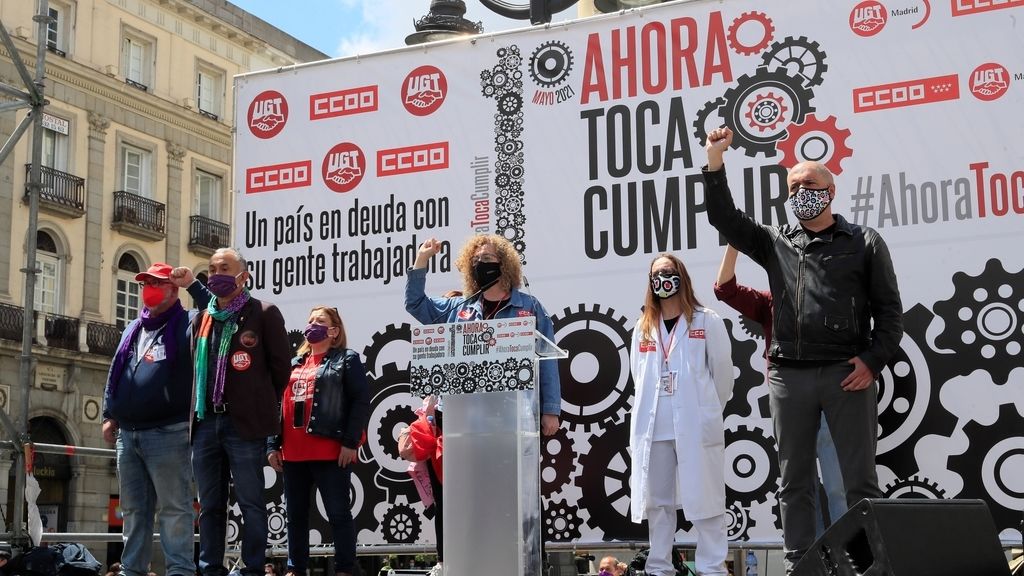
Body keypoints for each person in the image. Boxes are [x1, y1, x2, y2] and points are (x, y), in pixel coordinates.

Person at [703, 127, 903, 572]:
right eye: (792, 187)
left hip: (846, 375)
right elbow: (725, 218)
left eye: (808, 184)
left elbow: (890, 313)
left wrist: (873, 361)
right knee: (794, 481)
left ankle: (865, 565)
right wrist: (715, 161)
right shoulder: (775, 241)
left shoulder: (865, 242)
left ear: (830, 191)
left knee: (858, 482)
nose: (799, 193)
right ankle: (800, 564)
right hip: (788, 377)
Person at [405, 235, 562, 576]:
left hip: (512, 421)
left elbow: (548, 360)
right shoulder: (458, 309)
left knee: (519, 498)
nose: (481, 265)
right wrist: (421, 261)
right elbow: (415, 304)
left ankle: (530, 565)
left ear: (504, 264)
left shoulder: (529, 306)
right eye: (475, 260)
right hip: (467, 424)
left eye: (488, 259)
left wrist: (550, 409)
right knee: (472, 500)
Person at [713, 246, 848, 532]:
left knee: (839, 489)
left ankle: (847, 552)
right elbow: (725, 289)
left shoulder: (832, 298)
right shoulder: (769, 303)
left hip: (831, 408)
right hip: (791, 410)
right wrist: (735, 244)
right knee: (803, 489)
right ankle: (813, 554)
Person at [186, 248, 292, 576]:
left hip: (243, 425)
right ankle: (211, 568)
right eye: (212, 269)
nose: (216, 274)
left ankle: (253, 569)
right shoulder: (201, 319)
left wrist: (256, 402)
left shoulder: (264, 313)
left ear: (243, 277)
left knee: (251, 503)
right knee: (210, 506)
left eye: (224, 268)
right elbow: (192, 370)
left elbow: (281, 371)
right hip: (206, 422)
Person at [628, 253, 734, 576]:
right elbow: (638, 377)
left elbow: (723, 377)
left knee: (706, 499)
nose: (663, 278)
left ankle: (712, 567)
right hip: (655, 427)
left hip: (695, 424)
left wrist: (705, 410)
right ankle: (659, 566)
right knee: (658, 503)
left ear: (681, 276)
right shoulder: (643, 327)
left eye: (669, 271)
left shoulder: (706, 321)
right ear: (650, 282)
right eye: (657, 274)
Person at [101, 262, 208, 576]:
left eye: (156, 283)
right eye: (145, 283)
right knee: (133, 509)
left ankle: (179, 571)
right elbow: (116, 372)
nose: (148, 289)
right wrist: (110, 414)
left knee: (175, 509)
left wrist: (192, 284)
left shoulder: (188, 321)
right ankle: (132, 570)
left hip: (169, 432)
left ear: (173, 290)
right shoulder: (134, 328)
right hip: (128, 434)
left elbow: (217, 312)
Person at [267, 306, 370, 576]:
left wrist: (350, 442)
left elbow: (360, 401)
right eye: (311, 320)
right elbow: (279, 404)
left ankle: (345, 569)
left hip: (330, 452)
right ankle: (295, 568)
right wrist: (272, 444)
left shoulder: (347, 359)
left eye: (320, 321)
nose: (312, 324)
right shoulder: (294, 363)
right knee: (295, 516)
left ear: (334, 331)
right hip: (293, 453)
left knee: (338, 513)